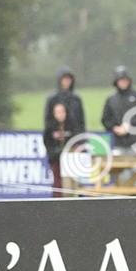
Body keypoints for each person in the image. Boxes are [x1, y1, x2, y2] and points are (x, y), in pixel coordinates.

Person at [101, 66, 136, 186]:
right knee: (123, 177)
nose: (123, 82)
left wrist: (130, 125)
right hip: (120, 143)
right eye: (120, 80)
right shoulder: (111, 99)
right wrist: (115, 128)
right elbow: (105, 120)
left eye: (125, 79)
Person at [43, 67, 86, 195]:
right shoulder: (52, 99)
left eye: (69, 79)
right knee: (58, 182)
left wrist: (80, 142)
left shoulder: (76, 99)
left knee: (75, 181)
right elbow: (47, 127)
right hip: (56, 148)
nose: (66, 82)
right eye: (64, 79)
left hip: (73, 145)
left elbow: (81, 123)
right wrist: (54, 150)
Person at [42, 102, 77, 198]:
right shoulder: (50, 127)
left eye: (62, 112)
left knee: (71, 182)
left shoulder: (71, 125)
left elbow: (75, 140)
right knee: (57, 182)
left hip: (69, 161)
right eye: (58, 112)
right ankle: (57, 201)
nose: (60, 114)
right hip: (55, 159)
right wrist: (55, 152)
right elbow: (47, 142)